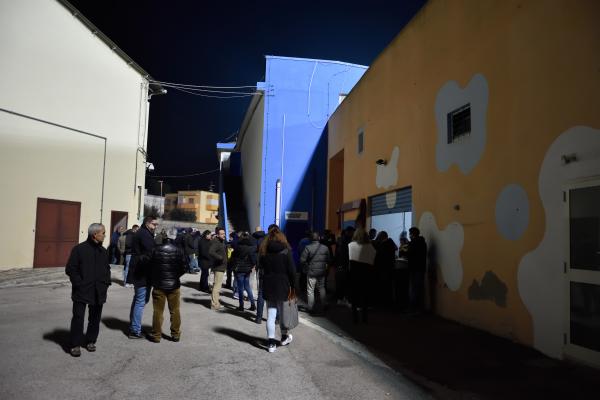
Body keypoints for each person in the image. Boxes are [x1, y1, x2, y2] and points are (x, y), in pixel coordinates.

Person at [65, 223, 111, 357]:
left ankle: (90, 340)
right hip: (82, 290)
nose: (104, 235)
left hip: (98, 291)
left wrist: (106, 283)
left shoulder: (103, 251)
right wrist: (79, 283)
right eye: (103, 233)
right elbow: (71, 269)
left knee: (95, 318)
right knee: (78, 318)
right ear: (94, 234)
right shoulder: (79, 249)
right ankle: (75, 344)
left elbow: (106, 269)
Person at [260, 226, 297, 353]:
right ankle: (284, 337)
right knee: (284, 314)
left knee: (271, 315)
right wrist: (294, 287)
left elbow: (261, 268)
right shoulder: (286, 251)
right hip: (283, 285)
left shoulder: (264, 251)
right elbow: (292, 271)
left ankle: (271, 344)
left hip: (269, 285)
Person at [148, 232, 187, 343]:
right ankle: (175, 334)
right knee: (175, 310)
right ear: (174, 237)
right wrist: (175, 276)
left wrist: (156, 276)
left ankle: (156, 335)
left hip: (159, 284)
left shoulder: (155, 249)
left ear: (164, 237)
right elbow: (184, 267)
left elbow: (150, 265)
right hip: (174, 285)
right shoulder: (179, 250)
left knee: (158, 311)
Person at [126, 216, 157, 339]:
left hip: (141, 271)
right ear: (148, 223)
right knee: (140, 301)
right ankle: (135, 330)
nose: (156, 227)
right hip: (142, 272)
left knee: (139, 300)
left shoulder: (144, 233)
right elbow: (150, 251)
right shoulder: (144, 234)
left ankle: (134, 326)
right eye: (154, 224)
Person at [348, 228, 376, 323]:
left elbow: (347, 261)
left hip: (354, 273)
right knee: (365, 296)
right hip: (367, 273)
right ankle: (365, 318)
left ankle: (355, 317)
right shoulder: (371, 247)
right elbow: (373, 261)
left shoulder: (350, 245)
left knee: (354, 296)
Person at [300, 231, 331, 313]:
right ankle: (324, 304)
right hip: (322, 272)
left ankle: (310, 307)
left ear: (310, 239)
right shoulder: (325, 248)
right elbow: (328, 260)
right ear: (319, 238)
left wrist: (307, 267)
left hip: (311, 272)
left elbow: (302, 260)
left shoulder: (308, 248)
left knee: (310, 290)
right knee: (321, 288)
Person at [399, 227, 427, 313]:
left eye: (410, 233)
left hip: (414, 268)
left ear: (412, 234)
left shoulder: (413, 243)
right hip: (421, 267)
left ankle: (413, 308)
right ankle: (420, 308)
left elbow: (408, 253)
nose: (409, 235)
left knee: (414, 288)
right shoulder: (423, 242)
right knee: (419, 288)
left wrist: (402, 250)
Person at [232, 232, 257, 311]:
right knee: (247, 286)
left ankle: (241, 306)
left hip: (239, 269)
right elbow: (253, 259)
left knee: (240, 288)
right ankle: (253, 304)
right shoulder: (251, 248)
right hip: (247, 270)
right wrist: (252, 265)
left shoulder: (238, 247)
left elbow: (233, 257)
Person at [373, 231, 398, 306]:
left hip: (383, 269)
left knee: (383, 286)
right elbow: (395, 249)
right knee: (388, 286)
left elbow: (380, 257)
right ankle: (388, 302)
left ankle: (383, 302)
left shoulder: (383, 245)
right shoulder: (390, 242)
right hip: (390, 268)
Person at [334, 226, 355, 306]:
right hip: (345, 264)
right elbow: (346, 254)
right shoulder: (347, 241)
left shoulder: (340, 240)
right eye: (352, 232)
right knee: (346, 283)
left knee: (341, 283)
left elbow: (338, 253)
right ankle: (344, 299)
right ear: (349, 232)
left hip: (340, 264)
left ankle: (340, 298)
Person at [209, 227, 227, 310]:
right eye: (222, 234)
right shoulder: (216, 242)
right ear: (217, 234)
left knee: (217, 286)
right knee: (217, 286)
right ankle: (214, 304)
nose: (224, 235)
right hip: (219, 267)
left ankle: (216, 302)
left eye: (224, 233)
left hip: (220, 266)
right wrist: (220, 258)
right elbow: (211, 251)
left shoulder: (220, 241)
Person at [252, 226, 267, 324]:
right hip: (272, 270)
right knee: (273, 295)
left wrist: (255, 264)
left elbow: (253, 253)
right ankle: (276, 318)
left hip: (261, 268)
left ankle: (258, 318)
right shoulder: (266, 240)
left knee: (261, 293)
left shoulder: (253, 239)